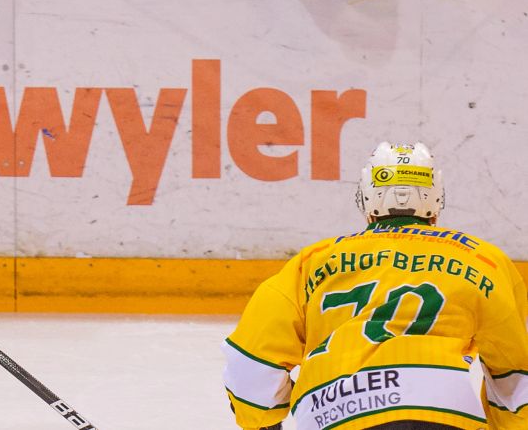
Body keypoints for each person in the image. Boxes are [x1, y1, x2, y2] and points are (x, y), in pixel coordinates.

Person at [222, 142, 528, 430]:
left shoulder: (312, 262)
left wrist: (261, 422)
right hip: (446, 408)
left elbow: (251, 360)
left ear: (366, 199)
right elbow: (516, 373)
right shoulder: (483, 260)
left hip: (334, 412)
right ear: (436, 201)